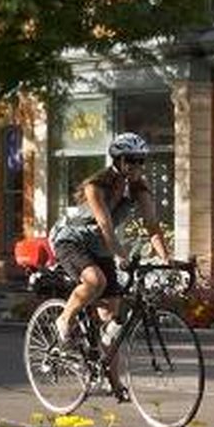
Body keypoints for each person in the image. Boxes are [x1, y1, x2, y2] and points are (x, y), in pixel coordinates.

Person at [51, 132, 169, 346]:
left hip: (101, 247)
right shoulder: (95, 187)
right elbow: (105, 226)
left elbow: (152, 226)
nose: (137, 166)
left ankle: (109, 377)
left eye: (141, 161)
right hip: (72, 240)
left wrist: (166, 260)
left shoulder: (139, 189)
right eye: (132, 160)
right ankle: (64, 319)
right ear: (119, 160)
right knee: (96, 281)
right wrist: (121, 257)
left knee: (109, 322)